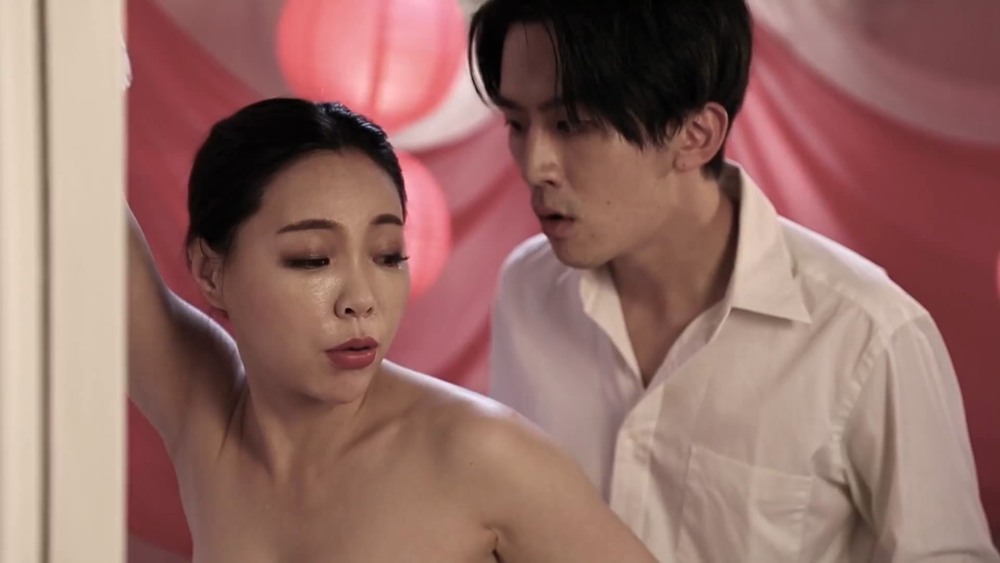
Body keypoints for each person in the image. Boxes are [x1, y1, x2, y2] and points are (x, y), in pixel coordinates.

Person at [470, 1, 1000, 561]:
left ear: (695, 135)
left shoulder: (866, 334)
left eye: (572, 124)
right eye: (516, 124)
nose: (534, 165)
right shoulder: (527, 290)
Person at [128, 97, 657, 563]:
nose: (361, 300)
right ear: (210, 273)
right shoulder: (206, 418)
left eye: (387, 255)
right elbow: (88, 206)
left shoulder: (482, 455)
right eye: (312, 259)